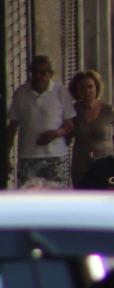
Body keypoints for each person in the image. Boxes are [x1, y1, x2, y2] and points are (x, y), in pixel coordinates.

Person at [6, 55, 75, 189]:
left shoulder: (61, 92)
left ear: (50, 74)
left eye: (43, 72)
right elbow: (12, 126)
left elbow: (69, 124)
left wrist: (55, 133)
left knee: (56, 199)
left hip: (56, 157)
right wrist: (6, 156)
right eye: (35, 72)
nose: (38, 76)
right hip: (28, 156)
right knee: (28, 198)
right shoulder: (21, 93)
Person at [68, 70, 114, 187]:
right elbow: (67, 136)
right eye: (82, 88)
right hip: (81, 166)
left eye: (90, 87)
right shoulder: (72, 110)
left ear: (96, 88)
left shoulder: (108, 110)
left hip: (105, 164)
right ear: (76, 91)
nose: (87, 91)